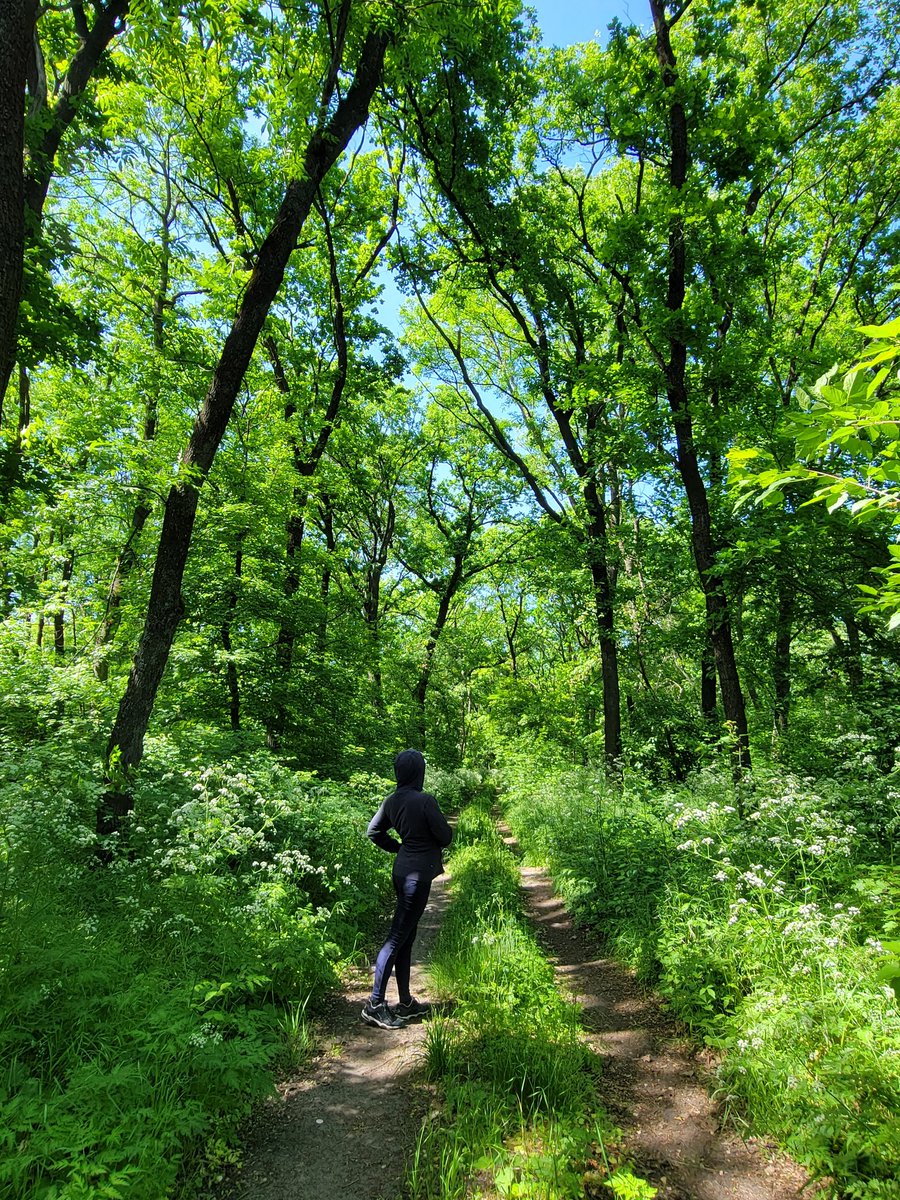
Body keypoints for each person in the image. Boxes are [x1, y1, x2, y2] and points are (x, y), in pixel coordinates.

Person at [362, 749, 453, 1029]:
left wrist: (399, 848)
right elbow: (446, 836)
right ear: (419, 772)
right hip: (417, 877)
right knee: (397, 937)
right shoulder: (425, 801)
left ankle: (405, 1002)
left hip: (402, 872)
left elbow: (373, 832)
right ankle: (375, 1004)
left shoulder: (392, 801)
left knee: (406, 936)